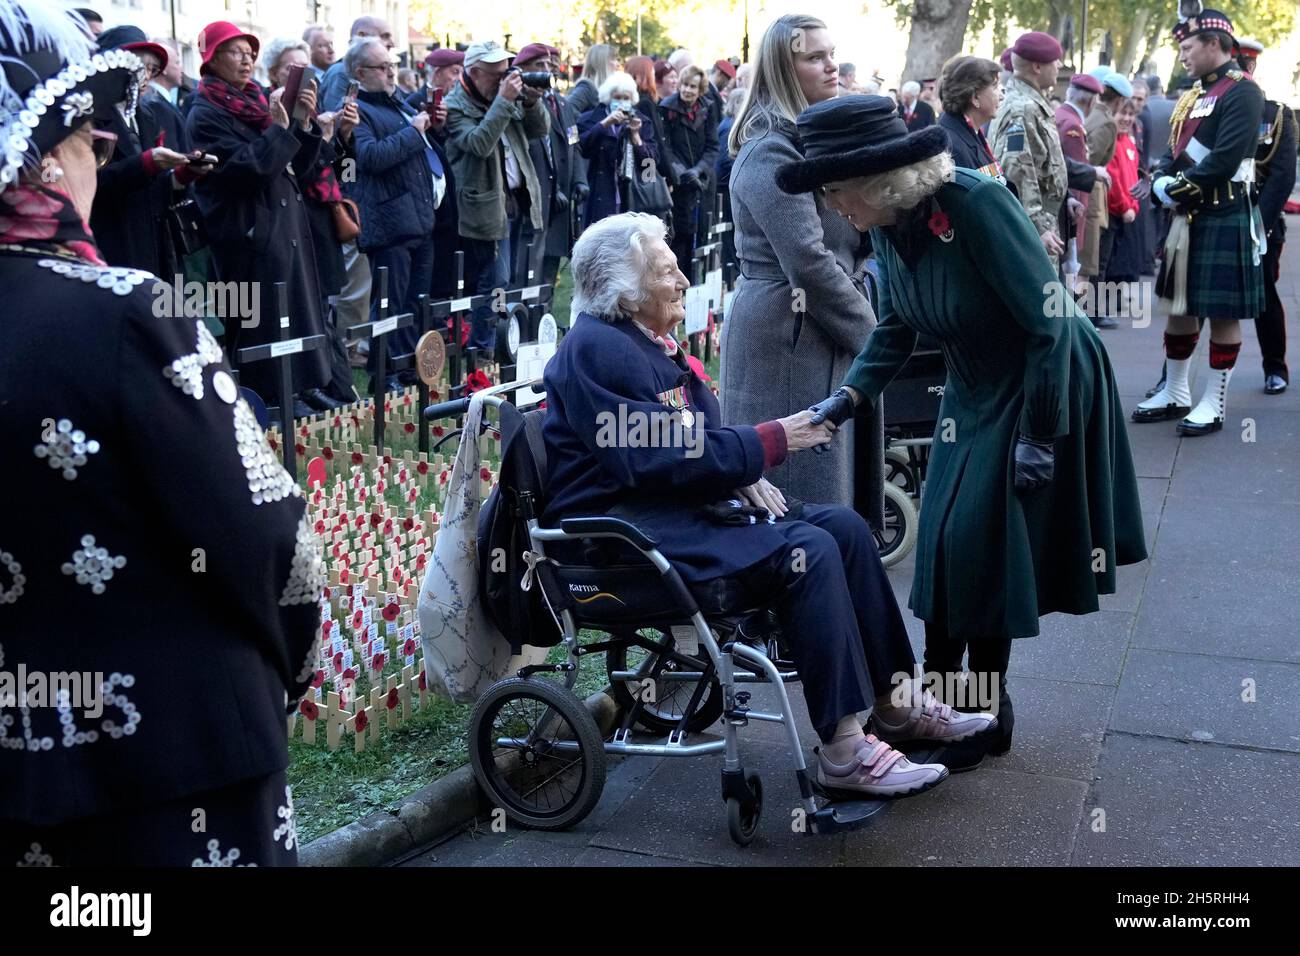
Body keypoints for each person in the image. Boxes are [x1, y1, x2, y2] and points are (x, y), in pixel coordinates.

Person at [0, 0, 320, 865]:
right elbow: (264, 534)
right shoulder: (131, 310)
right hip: (171, 770)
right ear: (44, 162)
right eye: (93, 146)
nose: (101, 162)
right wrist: (292, 665)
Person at [543, 213, 997, 796]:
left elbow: (688, 439)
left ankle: (895, 704)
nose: (683, 279)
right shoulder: (596, 350)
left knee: (845, 527)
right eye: (666, 270)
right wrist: (773, 440)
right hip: (630, 538)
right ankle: (844, 748)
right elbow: (653, 455)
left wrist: (737, 470)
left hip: (678, 513)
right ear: (624, 291)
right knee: (808, 549)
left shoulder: (642, 343)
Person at [783, 96, 1146, 756]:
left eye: (837, 191)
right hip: (973, 385)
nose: (833, 206)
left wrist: (1038, 434)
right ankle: (940, 699)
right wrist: (847, 400)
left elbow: (1051, 323)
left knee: (984, 540)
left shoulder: (976, 203)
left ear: (876, 181)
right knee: (945, 543)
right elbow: (895, 325)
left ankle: (987, 711)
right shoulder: (891, 225)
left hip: (1043, 374)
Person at [722, 14, 883, 518]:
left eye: (832, 53)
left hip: (825, 322)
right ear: (783, 70)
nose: (832, 66)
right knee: (800, 504)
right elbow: (808, 264)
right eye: (815, 57)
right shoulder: (772, 149)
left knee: (830, 497)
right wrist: (876, 340)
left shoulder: (817, 137)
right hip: (788, 337)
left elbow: (863, 234)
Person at [185, 20, 334, 417]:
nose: (247, 58)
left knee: (295, 308)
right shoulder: (204, 112)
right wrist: (282, 129)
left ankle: (301, 386)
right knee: (264, 315)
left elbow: (295, 170)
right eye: (235, 51)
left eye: (250, 51)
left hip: (282, 224)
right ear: (211, 60)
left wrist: (302, 123)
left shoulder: (257, 102)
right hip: (247, 232)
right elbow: (244, 171)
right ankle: (271, 394)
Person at [1134, 8, 1264, 435]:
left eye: (1188, 47)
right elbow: (1178, 147)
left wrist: (1173, 188)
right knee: (1178, 306)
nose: (1183, 55)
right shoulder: (1195, 92)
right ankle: (1175, 390)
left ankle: (1215, 399)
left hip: (1224, 210)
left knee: (1222, 311)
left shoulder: (1242, 91)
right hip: (1190, 215)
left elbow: (1225, 160)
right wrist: (1159, 178)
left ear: (1214, 44)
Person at [264, 37, 358, 408]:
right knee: (307, 310)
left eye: (308, 71)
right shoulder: (272, 116)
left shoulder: (314, 118)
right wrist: (322, 137)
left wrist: (343, 138)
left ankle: (331, 383)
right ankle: (317, 386)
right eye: (293, 69)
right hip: (295, 226)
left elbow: (346, 173)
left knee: (325, 309)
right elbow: (291, 177)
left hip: (324, 224)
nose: (304, 79)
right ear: (274, 75)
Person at [347, 36, 442, 391]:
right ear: (360, 72)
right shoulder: (355, 109)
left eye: (391, 66)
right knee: (389, 304)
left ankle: (407, 368)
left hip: (417, 220)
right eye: (383, 67)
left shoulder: (395, 101)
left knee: (415, 304)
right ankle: (383, 374)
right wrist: (413, 132)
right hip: (389, 224)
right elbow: (368, 157)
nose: (391, 73)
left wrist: (432, 126)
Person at [444, 40, 550, 353]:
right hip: (484, 206)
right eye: (496, 74)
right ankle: (484, 346)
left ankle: (504, 340)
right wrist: (503, 101)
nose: (504, 79)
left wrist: (530, 102)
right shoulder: (455, 106)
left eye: (507, 72)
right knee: (496, 280)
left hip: (517, 199)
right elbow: (479, 144)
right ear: (474, 72)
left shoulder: (500, 95)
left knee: (509, 277)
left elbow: (539, 130)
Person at [89, 26, 207, 277]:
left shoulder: (149, 114)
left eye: (151, 69)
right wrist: (145, 164)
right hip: (112, 247)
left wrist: (182, 177)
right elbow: (88, 183)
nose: (145, 77)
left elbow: (157, 191)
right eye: (138, 67)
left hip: (154, 247)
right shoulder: (89, 117)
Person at [1237, 37, 1296, 395]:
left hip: (1261, 222)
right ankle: (1175, 376)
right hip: (1213, 217)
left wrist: (1258, 223)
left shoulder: (1274, 115)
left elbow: (1282, 175)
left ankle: (1275, 367)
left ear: (1251, 69)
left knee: (1264, 297)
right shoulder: (1204, 109)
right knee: (1192, 302)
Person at [990, 31, 1068, 267]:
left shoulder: (1031, 104)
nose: (1059, 66)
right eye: (1055, 62)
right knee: (1039, 298)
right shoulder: (1023, 109)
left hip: (1041, 219)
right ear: (1037, 67)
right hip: (1032, 227)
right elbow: (1017, 170)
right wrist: (1038, 228)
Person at [406, 48, 464, 300]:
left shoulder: (448, 103)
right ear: (438, 72)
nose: (457, 79)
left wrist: (440, 129)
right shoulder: (412, 101)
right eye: (454, 72)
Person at [576, 71, 660, 226]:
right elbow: (580, 147)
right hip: (598, 193)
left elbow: (651, 166)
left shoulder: (642, 121)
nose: (621, 102)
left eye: (626, 98)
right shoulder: (589, 118)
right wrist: (604, 124)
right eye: (617, 97)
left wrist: (636, 138)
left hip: (631, 196)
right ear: (609, 98)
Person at [660, 64, 719, 275]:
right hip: (678, 182)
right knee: (679, 238)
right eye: (685, 85)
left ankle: (698, 289)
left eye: (693, 87)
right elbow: (664, 147)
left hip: (703, 181)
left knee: (703, 235)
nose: (687, 90)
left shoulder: (708, 107)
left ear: (700, 89)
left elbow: (713, 145)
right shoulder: (667, 107)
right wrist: (682, 172)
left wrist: (699, 169)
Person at [1080, 71, 1128, 310]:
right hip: (1092, 192)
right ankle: (1092, 313)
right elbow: (1093, 159)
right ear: (1120, 100)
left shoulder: (1091, 116)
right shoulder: (1106, 122)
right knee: (1094, 260)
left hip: (1085, 190)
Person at [1101, 98, 1146, 306]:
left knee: (1119, 259)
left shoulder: (1129, 142)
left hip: (1127, 211)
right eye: (1123, 113)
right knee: (1105, 262)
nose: (1127, 118)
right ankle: (1098, 309)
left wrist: (1133, 205)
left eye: (1131, 114)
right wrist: (1124, 206)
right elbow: (1113, 178)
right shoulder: (1112, 141)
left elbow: (1132, 179)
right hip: (1112, 210)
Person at [935, 55, 1004, 178]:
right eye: (995, 87)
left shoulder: (970, 132)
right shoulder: (951, 147)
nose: (1001, 96)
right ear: (975, 97)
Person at [318, 15, 394, 111]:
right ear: (361, 36)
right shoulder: (341, 73)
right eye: (385, 36)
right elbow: (336, 119)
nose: (392, 44)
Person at [567, 43, 618, 118]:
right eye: (613, 59)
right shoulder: (587, 87)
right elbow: (568, 109)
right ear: (602, 63)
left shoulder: (607, 88)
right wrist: (588, 123)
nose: (617, 64)